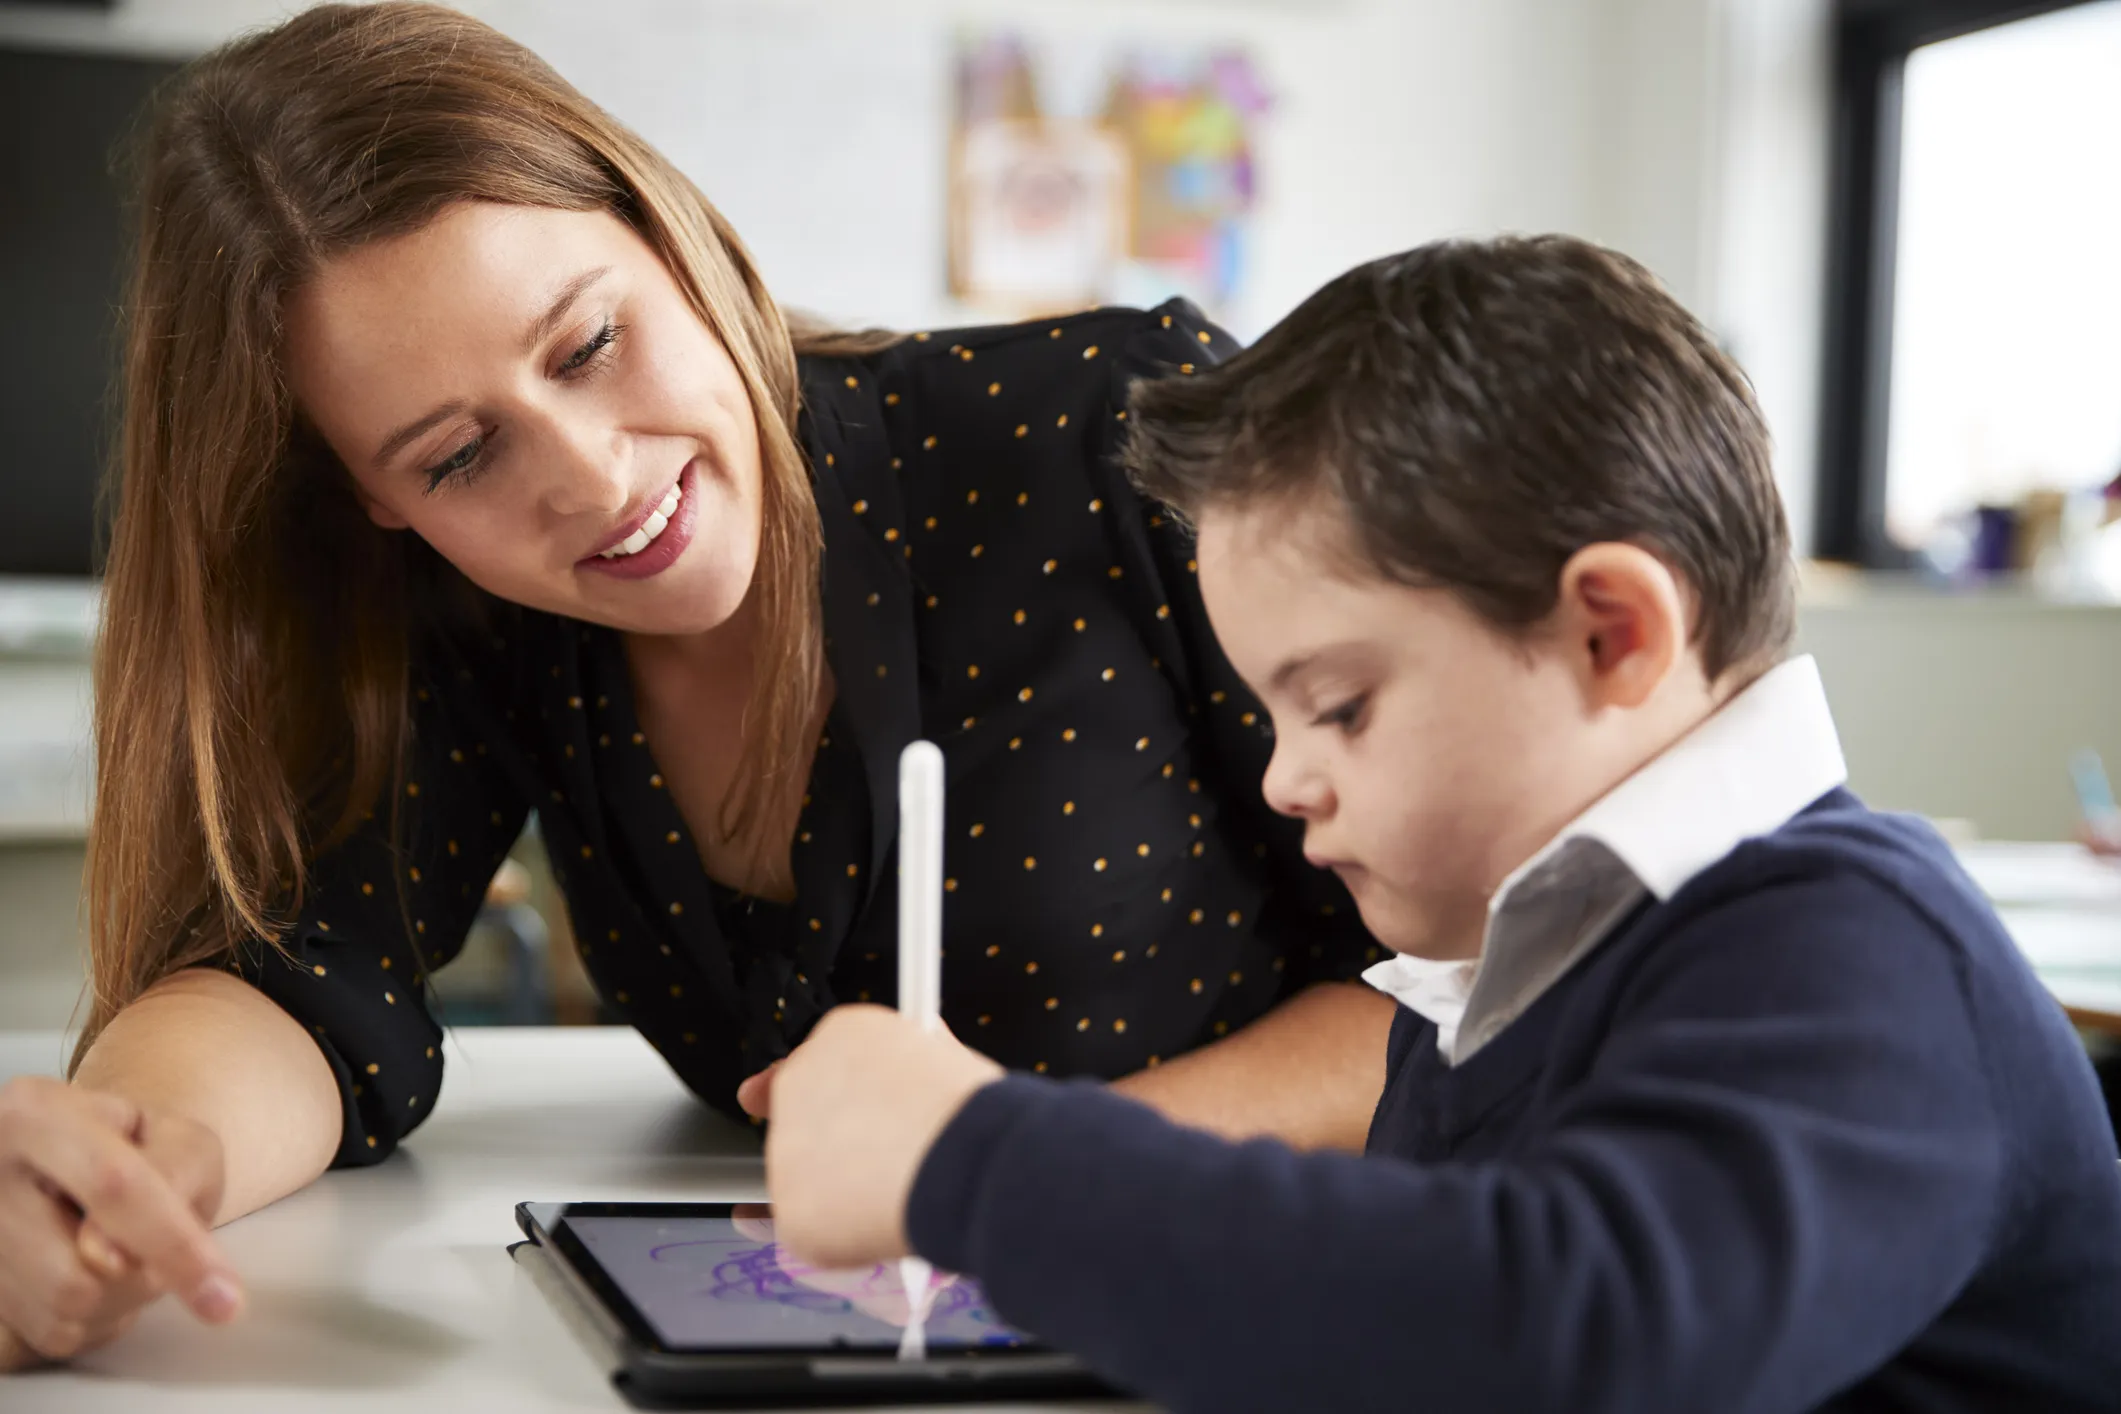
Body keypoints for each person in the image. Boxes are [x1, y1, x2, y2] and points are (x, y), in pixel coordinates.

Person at [0, 2, 1391, 1370]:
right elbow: (299, 977)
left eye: (588, 344)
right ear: (371, 502)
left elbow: (1499, 983)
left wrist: (1024, 1164)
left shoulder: (1114, 427)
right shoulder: (476, 615)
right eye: (454, 456)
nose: (596, 478)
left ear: (668, 230)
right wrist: (127, 1170)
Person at [763, 237, 2121, 1412]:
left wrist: (975, 1157)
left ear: (1613, 632)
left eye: (1338, 705)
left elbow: (1564, 1337)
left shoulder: (1866, 959)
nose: (1285, 778)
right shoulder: (1505, 962)